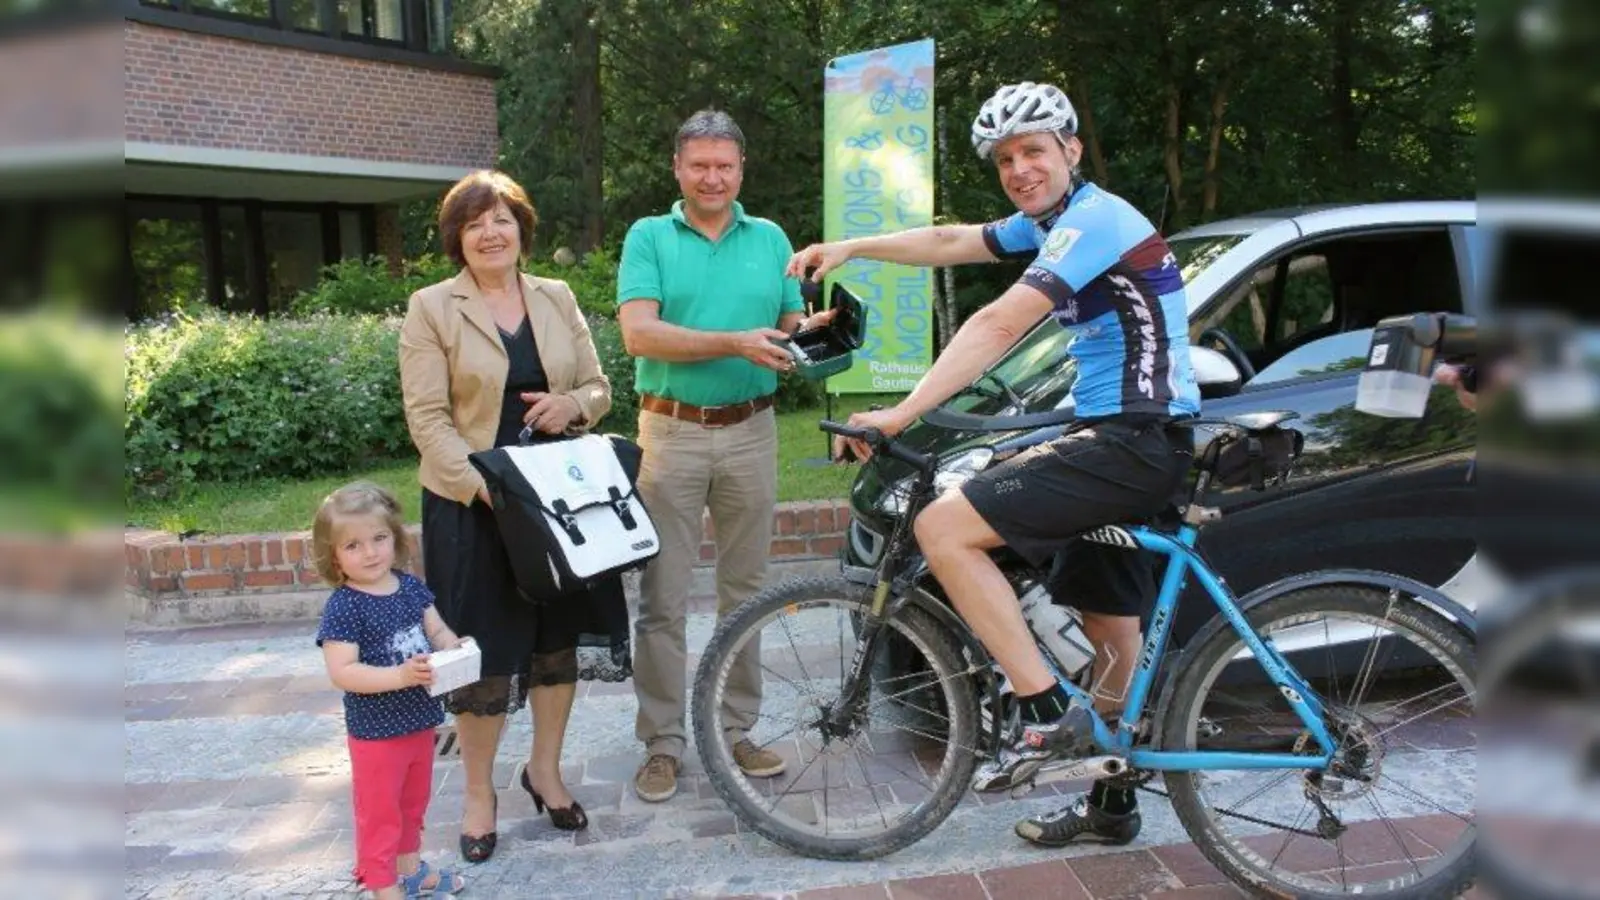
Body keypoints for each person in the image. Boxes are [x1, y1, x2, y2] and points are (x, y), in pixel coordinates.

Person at [787, 81, 1201, 848]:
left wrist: (900, 413)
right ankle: (1114, 806)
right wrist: (853, 247)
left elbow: (1003, 319)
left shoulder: (1095, 221)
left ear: (1071, 150)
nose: (1019, 167)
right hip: (1123, 437)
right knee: (1113, 629)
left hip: (1132, 439)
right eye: (1006, 158)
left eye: (1033, 151)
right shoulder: (1051, 222)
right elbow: (953, 241)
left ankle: (1041, 708)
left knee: (946, 527)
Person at [398, 170, 629, 858]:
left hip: (560, 501)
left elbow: (598, 385)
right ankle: (478, 793)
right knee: (483, 655)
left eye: (501, 219)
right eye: (474, 224)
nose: (490, 233)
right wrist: (487, 490)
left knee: (557, 643)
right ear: (457, 240)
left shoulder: (556, 298)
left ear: (521, 228)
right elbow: (428, 421)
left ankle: (546, 773)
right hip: (474, 509)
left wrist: (576, 407)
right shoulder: (431, 307)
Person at [616, 108, 837, 802]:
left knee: (748, 595)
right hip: (670, 432)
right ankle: (662, 743)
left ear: (742, 170)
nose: (713, 177)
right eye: (699, 165)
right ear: (678, 169)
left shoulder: (770, 237)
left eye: (725, 165)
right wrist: (734, 341)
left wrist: (808, 331)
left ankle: (738, 729)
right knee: (663, 601)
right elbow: (640, 335)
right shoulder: (649, 235)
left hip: (752, 429)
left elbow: (781, 325)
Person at [313, 482, 468, 899]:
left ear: (395, 539)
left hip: (419, 721)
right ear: (334, 557)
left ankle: (409, 869)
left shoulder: (410, 586)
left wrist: (452, 646)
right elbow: (342, 671)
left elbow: (433, 627)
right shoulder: (345, 606)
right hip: (376, 733)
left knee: (413, 805)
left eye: (379, 538)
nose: (370, 552)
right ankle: (382, 884)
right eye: (353, 545)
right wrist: (398, 676)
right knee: (380, 813)